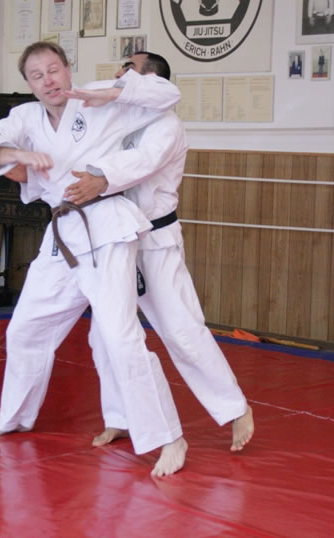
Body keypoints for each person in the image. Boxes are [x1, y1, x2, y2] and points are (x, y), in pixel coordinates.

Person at [0, 42, 187, 477]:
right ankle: (15, 417)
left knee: (120, 336)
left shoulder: (99, 100)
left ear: (68, 70)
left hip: (106, 228)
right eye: (37, 75)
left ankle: (169, 437)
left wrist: (114, 92)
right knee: (26, 328)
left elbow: (167, 95)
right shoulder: (26, 118)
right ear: (29, 84)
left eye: (53, 70)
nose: (48, 80)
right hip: (62, 232)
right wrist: (18, 155)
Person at [63, 52, 254, 466]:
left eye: (129, 68)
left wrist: (99, 178)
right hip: (113, 237)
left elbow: (140, 164)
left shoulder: (167, 126)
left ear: (150, 82)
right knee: (106, 335)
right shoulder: (116, 116)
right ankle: (121, 417)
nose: (119, 73)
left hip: (155, 239)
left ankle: (234, 407)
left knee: (181, 330)